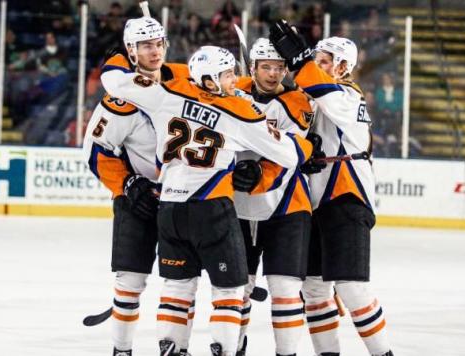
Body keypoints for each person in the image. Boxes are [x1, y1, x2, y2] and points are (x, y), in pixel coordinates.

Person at [101, 44, 319, 356]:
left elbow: (115, 80)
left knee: (177, 286)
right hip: (212, 209)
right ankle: (224, 349)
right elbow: (286, 153)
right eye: (228, 74)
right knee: (230, 290)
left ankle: (172, 348)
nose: (235, 79)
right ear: (210, 80)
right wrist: (308, 147)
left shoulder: (166, 94)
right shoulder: (239, 112)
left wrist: (124, 54)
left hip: (170, 209)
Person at [269, 22, 395, 356]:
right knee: (313, 290)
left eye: (324, 61)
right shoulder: (316, 97)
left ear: (342, 67)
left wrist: (299, 63)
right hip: (314, 202)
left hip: (346, 199)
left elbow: (322, 92)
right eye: (317, 60)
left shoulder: (348, 96)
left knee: (352, 289)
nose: (319, 67)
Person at [82, 16, 191, 356]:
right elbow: (96, 152)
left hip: (185, 198)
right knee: (130, 281)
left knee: (182, 281)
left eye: (159, 43)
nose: (155, 51)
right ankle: (121, 349)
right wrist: (127, 184)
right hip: (139, 199)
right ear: (131, 51)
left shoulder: (185, 79)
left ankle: (176, 348)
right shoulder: (119, 100)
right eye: (145, 45)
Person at [231, 38, 325, 356]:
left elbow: (287, 152)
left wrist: (260, 176)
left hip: (286, 206)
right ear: (254, 67)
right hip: (236, 205)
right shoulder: (232, 91)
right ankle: (234, 348)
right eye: (266, 67)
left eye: (279, 68)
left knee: (285, 291)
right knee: (235, 291)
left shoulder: (298, 102)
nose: (273, 74)